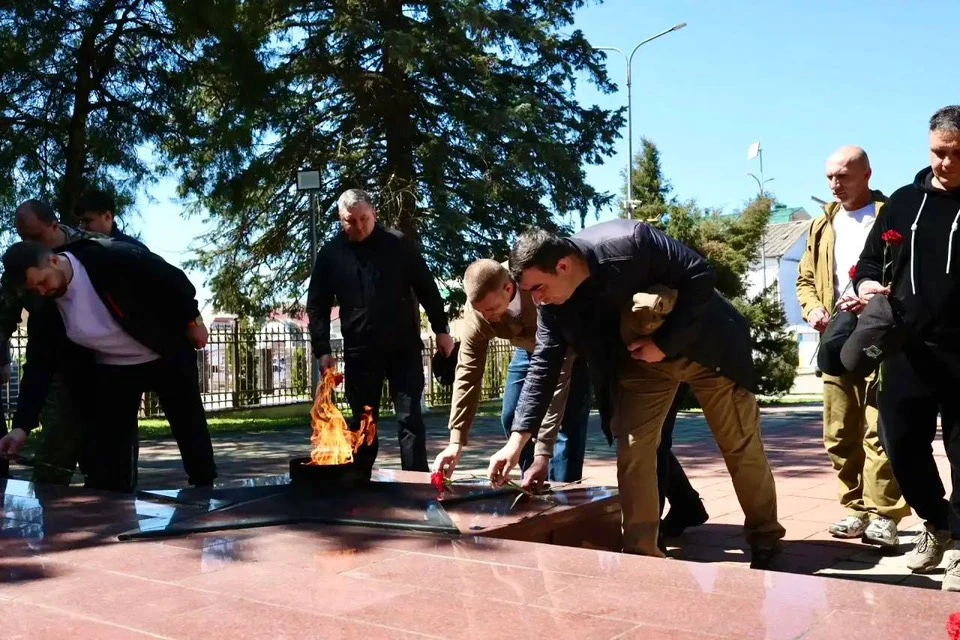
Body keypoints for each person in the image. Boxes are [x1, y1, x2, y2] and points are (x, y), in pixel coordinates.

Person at [487, 220, 785, 568]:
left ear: (563, 266)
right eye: (530, 292)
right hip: (642, 362)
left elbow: (700, 276)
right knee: (633, 449)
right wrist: (517, 442)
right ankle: (642, 554)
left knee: (738, 445)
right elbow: (544, 366)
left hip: (704, 349)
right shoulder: (552, 307)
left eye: (539, 287)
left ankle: (765, 537)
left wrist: (665, 344)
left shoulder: (632, 242)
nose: (536, 299)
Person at [0, 238, 217, 492]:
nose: (42, 291)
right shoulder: (45, 307)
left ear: (54, 260)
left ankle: (205, 489)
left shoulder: (106, 259)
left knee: (189, 428)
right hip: (114, 368)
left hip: (164, 354)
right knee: (111, 453)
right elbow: (39, 366)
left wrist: (193, 320)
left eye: (43, 281)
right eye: (34, 289)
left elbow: (171, 278)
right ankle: (116, 501)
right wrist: (21, 427)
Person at [853, 106, 960, 591]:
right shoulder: (902, 202)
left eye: (956, 154)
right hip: (906, 349)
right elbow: (868, 262)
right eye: (939, 152)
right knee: (900, 445)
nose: (946, 163)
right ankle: (938, 523)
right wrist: (868, 286)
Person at [796, 146, 910, 546]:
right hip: (836, 337)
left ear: (866, 175)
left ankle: (885, 515)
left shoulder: (891, 216)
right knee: (839, 430)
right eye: (830, 176)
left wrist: (878, 300)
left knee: (879, 429)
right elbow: (805, 279)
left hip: (880, 337)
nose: (834, 184)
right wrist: (812, 309)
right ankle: (855, 508)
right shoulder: (821, 225)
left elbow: (911, 275)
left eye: (843, 175)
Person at [307, 188, 454, 472]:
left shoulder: (398, 243)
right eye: (351, 221)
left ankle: (416, 481)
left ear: (374, 213)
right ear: (341, 219)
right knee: (363, 419)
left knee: (410, 417)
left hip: (403, 346)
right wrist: (322, 349)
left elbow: (426, 286)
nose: (359, 226)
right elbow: (317, 305)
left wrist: (441, 329)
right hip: (361, 350)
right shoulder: (331, 254)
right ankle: (359, 480)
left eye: (364, 218)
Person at [432, 259, 591, 491]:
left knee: (565, 427)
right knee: (511, 417)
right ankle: (530, 483)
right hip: (526, 350)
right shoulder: (478, 311)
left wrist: (542, 452)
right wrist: (456, 441)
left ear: (509, 288)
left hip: (569, 352)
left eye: (491, 310)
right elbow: (468, 371)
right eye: (480, 311)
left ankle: (562, 495)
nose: (486, 316)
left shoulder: (538, 288)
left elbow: (556, 379)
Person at [0, 199, 110, 484]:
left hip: (106, 368)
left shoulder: (94, 248)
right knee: (53, 462)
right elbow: (6, 323)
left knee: (109, 468)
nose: (31, 245)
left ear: (54, 225)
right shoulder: (26, 270)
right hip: (57, 370)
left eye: (36, 237)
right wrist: (22, 424)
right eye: (25, 239)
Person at [74, 189, 148, 249]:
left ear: (107, 217)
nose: (82, 226)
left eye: (87, 220)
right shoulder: (77, 246)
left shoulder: (135, 249)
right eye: (80, 221)